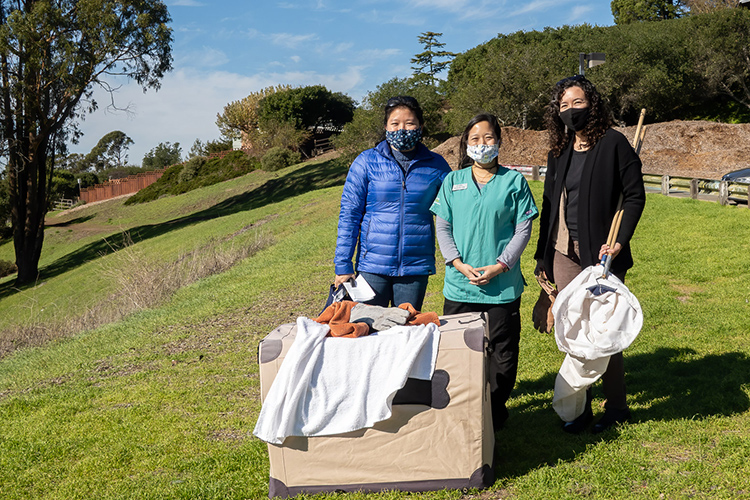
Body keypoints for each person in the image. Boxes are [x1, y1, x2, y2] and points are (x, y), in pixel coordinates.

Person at [534, 75, 646, 434]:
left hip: (603, 253)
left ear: (592, 104)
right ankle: (579, 409)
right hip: (563, 251)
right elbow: (549, 205)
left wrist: (620, 241)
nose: (571, 111)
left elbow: (633, 196)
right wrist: (542, 257)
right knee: (574, 328)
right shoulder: (560, 149)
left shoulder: (614, 143)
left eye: (577, 103)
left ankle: (616, 407)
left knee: (603, 331)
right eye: (564, 105)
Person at [430, 113, 538, 430]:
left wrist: (501, 265)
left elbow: (523, 229)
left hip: (501, 287)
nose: (482, 144)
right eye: (475, 139)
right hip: (460, 286)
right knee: (460, 352)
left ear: (499, 141)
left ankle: (495, 409)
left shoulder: (514, 181)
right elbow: (443, 227)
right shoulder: (452, 182)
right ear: (466, 144)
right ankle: (465, 410)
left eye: (488, 138)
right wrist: (459, 264)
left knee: (503, 353)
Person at [334, 96, 451, 311]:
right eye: (395, 124)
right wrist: (343, 264)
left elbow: (453, 213)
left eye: (410, 123)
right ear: (386, 127)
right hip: (372, 268)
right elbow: (349, 215)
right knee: (366, 331)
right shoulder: (366, 161)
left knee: (405, 333)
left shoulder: (437, 165)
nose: (402, 129)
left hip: (415, 269)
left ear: (421, 126)